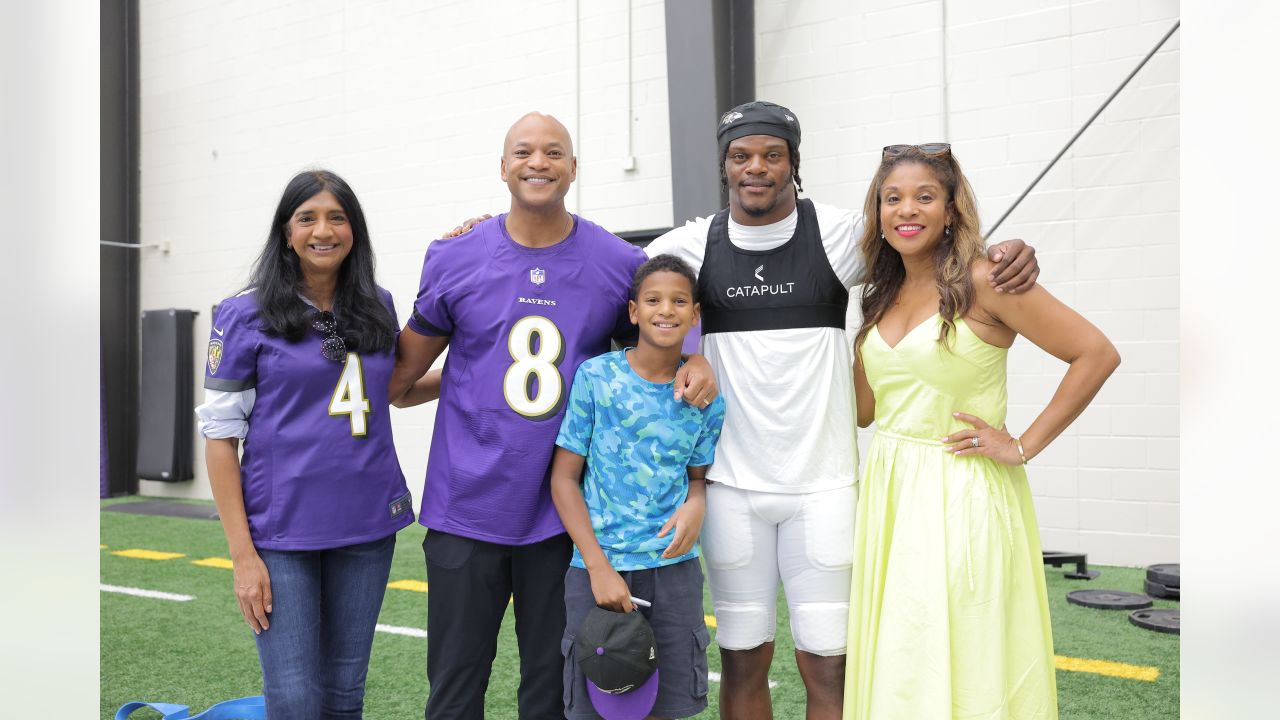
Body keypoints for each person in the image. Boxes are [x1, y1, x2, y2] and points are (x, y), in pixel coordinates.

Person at [447, 101, 1043, 719]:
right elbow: (599, 268)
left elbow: (923, 236)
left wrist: (1004, 250)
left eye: (771, 155)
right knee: (742, 660)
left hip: (825, 488)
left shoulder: (843, 236)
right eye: (741, 156)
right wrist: (488, 231)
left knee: (827, 665)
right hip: (730, 490)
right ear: (724, 165)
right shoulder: (690, 243)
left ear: (794, 163)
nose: (756, 168)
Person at [388, 112, 717, 720]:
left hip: (560, 518)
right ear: (504, 166)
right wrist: (468, 381)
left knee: (550, 693)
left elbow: (656, 344)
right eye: (523, 152)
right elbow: (400, 384)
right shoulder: (456, 256)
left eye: (553, 152)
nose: (538, 162)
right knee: (454, 689)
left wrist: (696, 358)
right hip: (467, 506)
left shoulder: (618, 261)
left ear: (573, 168)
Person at [843, 144, 1120, 719]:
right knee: (901, 648)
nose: (906, 209)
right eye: (891, 198)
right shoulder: (879, 295)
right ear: (877, 212)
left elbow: (1095, 353)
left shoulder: (987, 279)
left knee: (965, 646)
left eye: (924, 196)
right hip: (890, 490)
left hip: (961, 490)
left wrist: (1023, 444)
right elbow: (865, 411)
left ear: (951, 209)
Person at [196, 170, 415, 719]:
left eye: (337, 217)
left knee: (345, 694)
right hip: (281, 531)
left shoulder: (377, 304)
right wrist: (243, 556)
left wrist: (481, 378)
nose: (324, 230)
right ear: (286, 232)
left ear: (354, 230)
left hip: (368, 523)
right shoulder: (243, 313)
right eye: (308, 218)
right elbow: (220, 439)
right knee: (294, 697)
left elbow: (382, 390)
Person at [550, 255, 727, 720]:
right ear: (633, 312)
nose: (665, 310)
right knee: (595, 707)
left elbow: (696, 480)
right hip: (598, 571)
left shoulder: (705, 398)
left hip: (674, 572)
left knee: (669, 707)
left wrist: (697, 503)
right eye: (653, 300)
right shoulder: (597, 378)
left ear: (695, 315)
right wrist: (598, 567)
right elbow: (563, 478)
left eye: (678, 301)